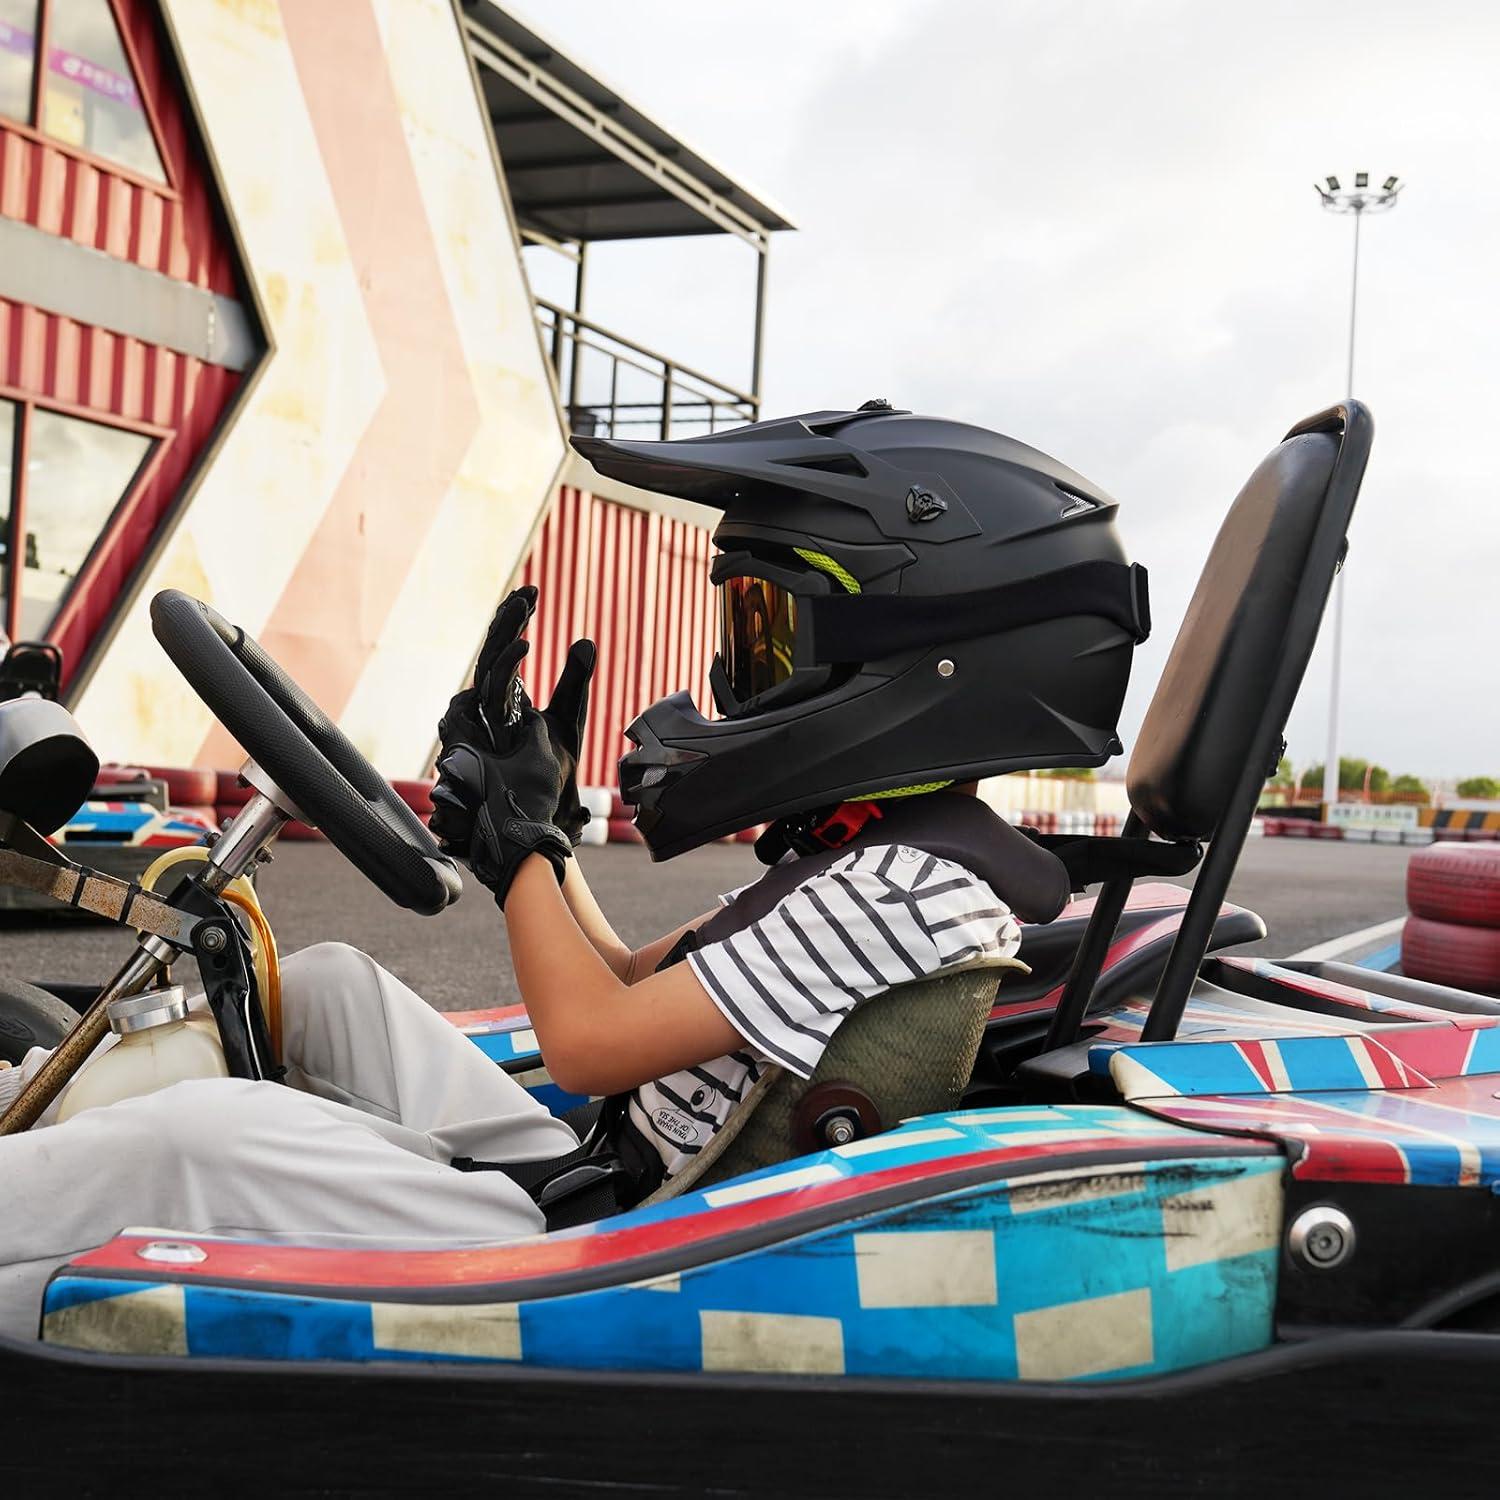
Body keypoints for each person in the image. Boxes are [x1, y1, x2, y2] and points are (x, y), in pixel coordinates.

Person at [0, 403, 1147, 1339]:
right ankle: (45, 1124)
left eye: (774, 636)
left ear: (928, 659)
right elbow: (637, 978)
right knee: (339, 980)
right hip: (600, 1173)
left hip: (595, 1254)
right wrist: (533, 848)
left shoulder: (902, 893)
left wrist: (520, 841)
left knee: (203, 1140)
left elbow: (592, 1043)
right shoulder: (891, 863)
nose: (744, 675)